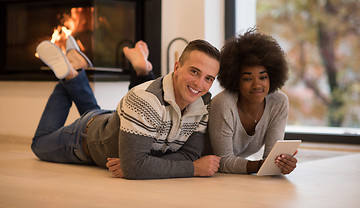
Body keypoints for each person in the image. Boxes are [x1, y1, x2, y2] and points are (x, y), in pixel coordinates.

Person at [31, 35, 221, 180]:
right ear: (177, 67)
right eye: (194, 72)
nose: (199, 84)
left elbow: (189, 154)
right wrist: (194, 168)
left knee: (104, 115)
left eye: (208, 78)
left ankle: (75, 68)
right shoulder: (144, 100)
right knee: (39, 144)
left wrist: (144, 164)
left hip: (113, 124)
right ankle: (69, 74)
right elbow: (137, 166)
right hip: (84, 138)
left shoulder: (203, 103)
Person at [207, 28, 298, 175]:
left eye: (263, 77)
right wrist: (262, 166)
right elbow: (223, 161)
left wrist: (282, 164)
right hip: (201, 174)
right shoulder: (223, 103)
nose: (257, 85)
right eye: (248, 79)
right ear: (236, 81)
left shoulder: (278, 102)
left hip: (230, 178)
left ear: (272, 77)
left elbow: (271, 159)